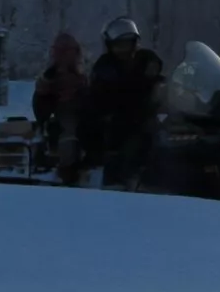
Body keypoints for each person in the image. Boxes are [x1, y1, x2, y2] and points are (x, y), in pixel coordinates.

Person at [79, 17, 165, 188]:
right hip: (116, 120)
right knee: (127, 144)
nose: (124, 50)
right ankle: (120, 183)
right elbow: (101, 96)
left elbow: (157, 72)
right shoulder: (105, 66)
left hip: (146, 116)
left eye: (127, 44)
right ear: (111, 46)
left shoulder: (144, 59)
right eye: (119, 45)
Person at [32, 32, 88, 184]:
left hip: (85, 117)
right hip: (61, 119)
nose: (65, 57)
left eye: (68, 52)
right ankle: (67, 171)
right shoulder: (50, 78)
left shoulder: (83, 77)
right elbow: (40, 109)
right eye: (61, 52)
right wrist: (46, 89)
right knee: (68, 135)